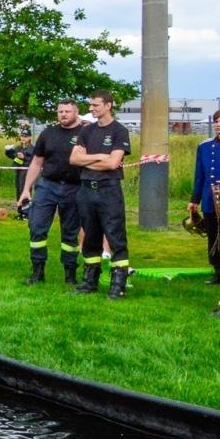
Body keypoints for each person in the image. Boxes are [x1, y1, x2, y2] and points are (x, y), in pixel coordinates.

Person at [70, 90, 132, 299]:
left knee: (115, 236)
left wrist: (87, 158)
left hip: (109, 190)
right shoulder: (87, 131)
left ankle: (118, 285)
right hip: (86, 189)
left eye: (95, 105)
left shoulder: (119, 131)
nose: (91, 109)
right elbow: (74, 159)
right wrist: (98, 157)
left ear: (108, 105)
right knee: (90, 237)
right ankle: (90, 282)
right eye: (90, 105)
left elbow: (113, 163)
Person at [15, 100, 85, 286]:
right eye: (60, 111)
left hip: (74, 188)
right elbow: (36, 163)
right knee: (36, 227)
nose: (63, 114)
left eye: (67, 111)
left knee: (70, 234)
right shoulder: (48, 133)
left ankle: (70, 275)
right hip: (47, 186)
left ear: (76, 112)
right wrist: (26, 190)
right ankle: (37, 273)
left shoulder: (85, 133)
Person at [189, 108, 220, 285]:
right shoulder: (205, 146)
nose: (218, 125)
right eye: (216, 121)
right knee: (213, 234)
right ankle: (218, 270)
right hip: (210, 198)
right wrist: (194, 200)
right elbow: (199, 175)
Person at [5, 127, 34, 198]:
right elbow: (13, 156)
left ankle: (25, 207)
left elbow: (35, 161)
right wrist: (8, 151)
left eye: (25, 136)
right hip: (18, 171)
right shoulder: (19, 147)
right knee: (18, 190)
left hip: (26, 172)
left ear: (30, 138)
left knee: (24, 190)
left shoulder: (32, 149)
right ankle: (19, 207)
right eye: (22, 136)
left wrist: (24, 158)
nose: (23, 138)